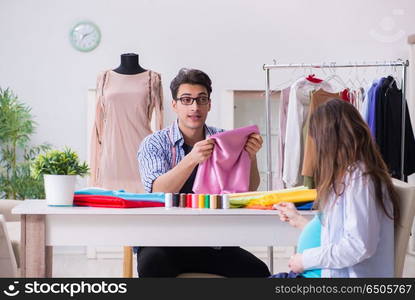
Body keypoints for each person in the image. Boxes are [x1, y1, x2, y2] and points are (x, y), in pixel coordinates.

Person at [136, 68, 270, 277]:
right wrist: (190, 160)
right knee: (152, 265)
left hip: (213, 242)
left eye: (201, 99)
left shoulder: (226, 140)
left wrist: (250, 157)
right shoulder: (154, 143)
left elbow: (247, 190)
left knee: (259, 273)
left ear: (209, 104)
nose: (195, 107)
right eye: (186, 100)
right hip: (164, 241)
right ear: (175, 105)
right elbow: (157, 192)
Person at [272, 98, 400, 278]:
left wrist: (305, 260)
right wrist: (299, 220)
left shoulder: (360, 180)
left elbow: (359, 245)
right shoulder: (348, 176)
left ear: (329, 141)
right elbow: (338, 234)